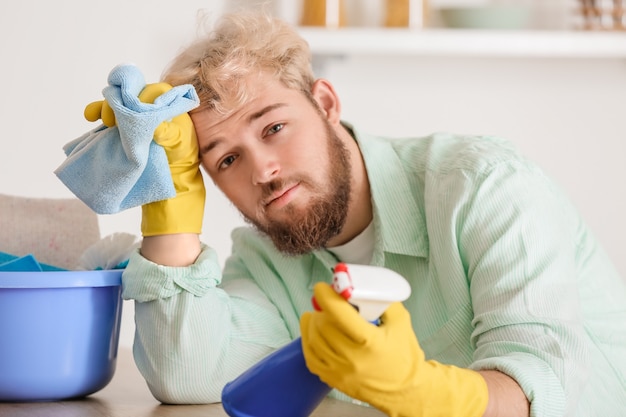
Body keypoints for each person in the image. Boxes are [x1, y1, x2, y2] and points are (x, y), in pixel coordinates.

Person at [85, 10, 626, 417]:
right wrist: (169, 200)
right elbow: (190, 374)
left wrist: (421, 390)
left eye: (273, 127)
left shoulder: (488, 188)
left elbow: (543, 390)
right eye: (226, 159)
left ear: (325, 103)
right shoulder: (265, 261)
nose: (263, 171)